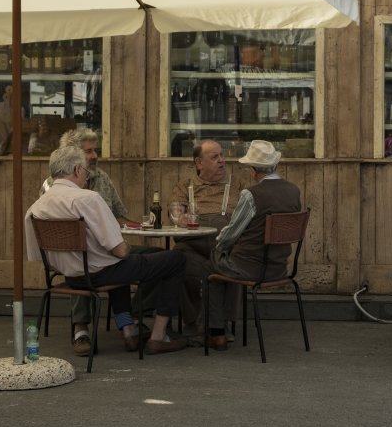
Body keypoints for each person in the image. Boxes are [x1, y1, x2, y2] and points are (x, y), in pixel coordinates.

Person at [24, 145, 187, 355]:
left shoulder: (36, 208)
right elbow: (120, 251)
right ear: (76, 170)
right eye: (85, 170)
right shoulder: (87, 198)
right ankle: (158, 336)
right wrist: (121, 248)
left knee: (114, 262)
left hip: (71, 277)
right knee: (175, 259)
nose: (87, 175)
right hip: (100, 274)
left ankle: (129, 329)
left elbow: (41, 257)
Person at [40, 127, 140, 356]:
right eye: (88, 151)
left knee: (146, 258)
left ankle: (127, 320)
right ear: (73, 157)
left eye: (95, 150)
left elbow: (119, 215)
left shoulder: (102, 178)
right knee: (84, 259)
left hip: (107, 249)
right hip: (71, 253)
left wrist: (142, 225)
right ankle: (81, 329)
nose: (94, 156)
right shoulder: (53, 185)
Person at [202, 140, 302, 349]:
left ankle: (217, 332)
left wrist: (219, 248)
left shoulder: (251, 195)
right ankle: (224, 326)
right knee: (222, 265)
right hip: (279, 268)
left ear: (253, 170)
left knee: (210, 265)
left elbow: (231, 233)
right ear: (275, 165)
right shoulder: (293, 191)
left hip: (250, 268)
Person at [169, 139, 253, 338]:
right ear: (199, 163)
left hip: (225, 244)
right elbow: (175, 214)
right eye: (215, 157)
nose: (222, 161)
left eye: (222, 155)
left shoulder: (238, 185)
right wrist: (181, 218)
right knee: (177, 259)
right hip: (195, 244)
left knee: (229, 257)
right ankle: (194, 321)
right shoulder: (184, 186)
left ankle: (218, 324)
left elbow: (250, 214)